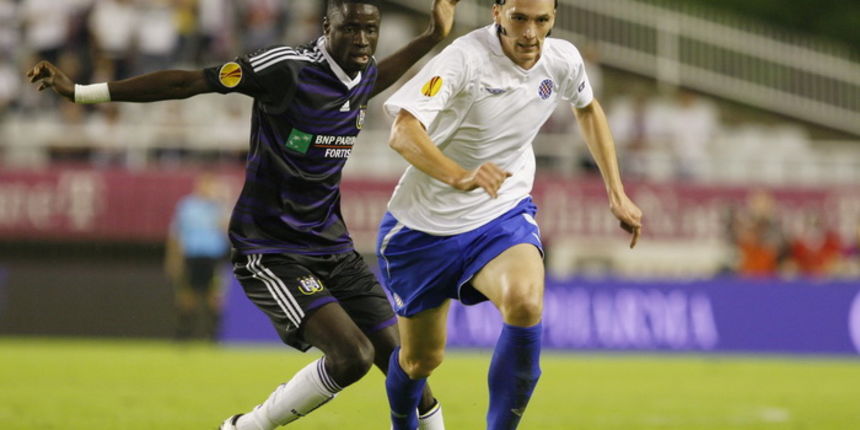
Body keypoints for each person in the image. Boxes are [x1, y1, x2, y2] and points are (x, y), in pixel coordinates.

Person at [26, 0, 459, 428]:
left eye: (370, 30)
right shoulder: (284, 67)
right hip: (271, 248)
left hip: (334, 247)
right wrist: (83, 92)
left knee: (410, 366)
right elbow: (188, 83)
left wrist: (430, 37)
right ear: (327, 25)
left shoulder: (361, 74)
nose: (362, 41)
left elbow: (372, 79)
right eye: (351, 29)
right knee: (353, 357)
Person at [374, 1, 643, 429]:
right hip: (422, 228)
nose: (531, 34)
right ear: (497, 12)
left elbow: (588, 108)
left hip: (501, 213)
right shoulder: (465, 57)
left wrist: (616, 192)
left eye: (542, 20)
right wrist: (459, 176)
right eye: (519, 18)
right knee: (421, 359)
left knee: (524, 302)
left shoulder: (563, 59)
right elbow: (403, 130)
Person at [165, 172, 230, 341]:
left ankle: (213, 337)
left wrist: (221, 207)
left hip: (213, 258)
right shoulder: (187, 206)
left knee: (214, 296)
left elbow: (227, 231)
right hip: (192, 256)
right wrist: (173, 259)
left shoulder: (219, 208)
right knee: (187, 296)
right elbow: (176, 234)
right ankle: (183, 336)